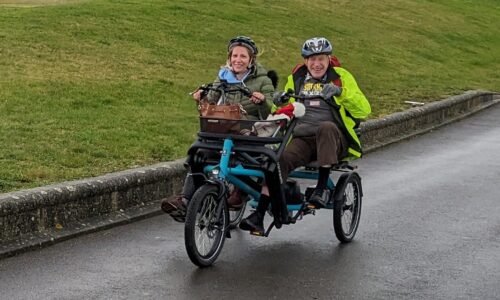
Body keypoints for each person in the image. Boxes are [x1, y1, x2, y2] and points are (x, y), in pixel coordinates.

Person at [239, 37, 372, 235]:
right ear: (305, 60)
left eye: (321, 59)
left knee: (326, 127)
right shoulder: (298, 77)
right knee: (278, 160)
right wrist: (277, 100)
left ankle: (321, 189)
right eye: (312, 59)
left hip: (335, 138)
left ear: (328, 59)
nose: (316, 64)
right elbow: (284, 110)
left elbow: (364, 110)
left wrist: (340, 92)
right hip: (303, 138)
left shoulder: (340, 76)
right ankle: (259, 213)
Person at [161, 36, 275, 222]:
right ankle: (186, 199)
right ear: (229, 58)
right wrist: (201, 98)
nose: (238, 60)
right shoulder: (223, 77)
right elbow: (211, 102)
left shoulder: (262, 80)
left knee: (242, 160)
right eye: (234, 56)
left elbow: (272, 110)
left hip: (248, 132)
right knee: (197, 152)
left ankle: (239, 192)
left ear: (251, 60)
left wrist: (262, 101)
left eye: (243, 56)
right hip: (222, 129)